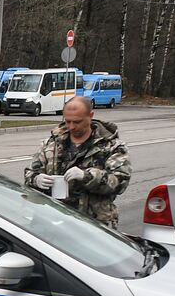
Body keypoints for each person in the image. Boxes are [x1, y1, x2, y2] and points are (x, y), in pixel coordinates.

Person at [24, 95, 132, 228]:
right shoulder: (52, 143)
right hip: (51, 220)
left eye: (77, 122)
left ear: (90, 116)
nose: (71, 127)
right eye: (68, 121)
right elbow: (30, 173)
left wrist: (87, 176)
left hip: (93, 224)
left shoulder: (112, 146)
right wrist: (36, 179)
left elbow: (120, 182)